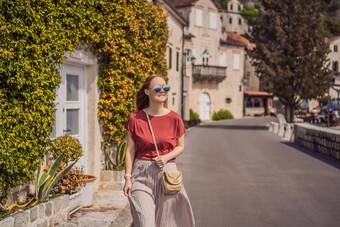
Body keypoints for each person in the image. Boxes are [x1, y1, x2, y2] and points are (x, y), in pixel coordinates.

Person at [123, 75, 195, 227]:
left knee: (166, 223)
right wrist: (128, 178)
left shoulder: (175, 118)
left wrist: (166, 157)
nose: (162, 90)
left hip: (167, 174)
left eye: (165, 87)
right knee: (145, 222)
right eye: (157, 88)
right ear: (147, 92)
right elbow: (130, 151)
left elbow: (180, 146)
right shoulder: (135, 119)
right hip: (141, 174)